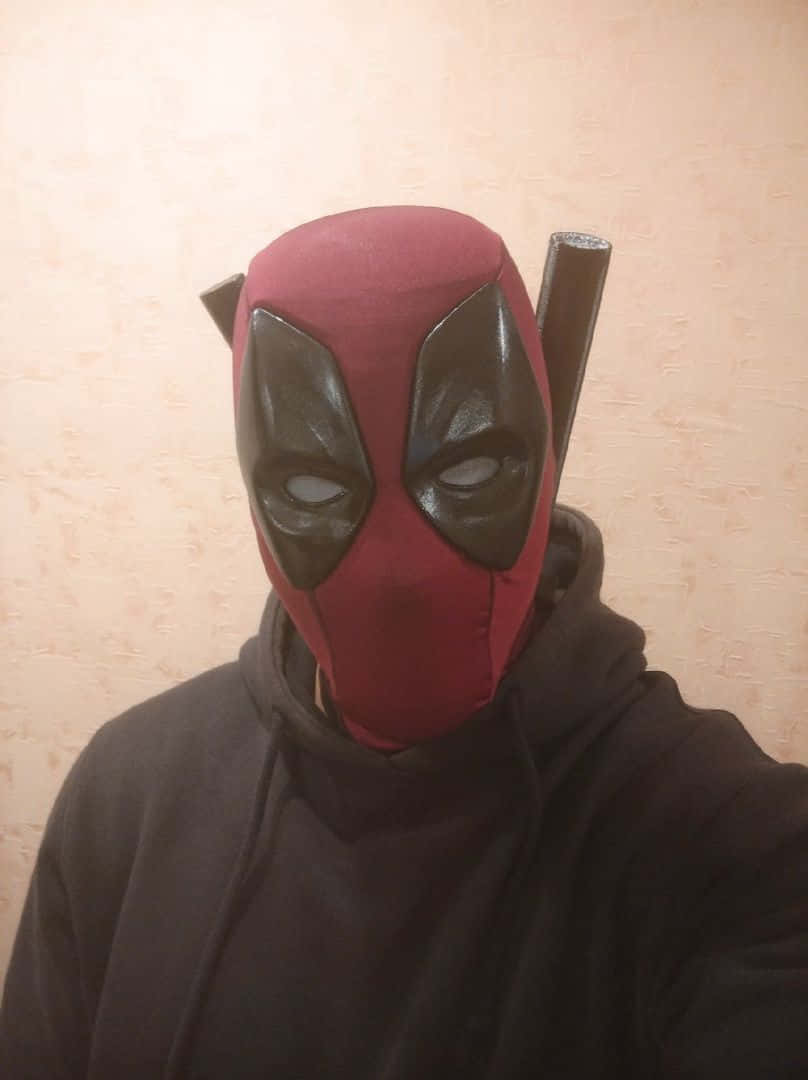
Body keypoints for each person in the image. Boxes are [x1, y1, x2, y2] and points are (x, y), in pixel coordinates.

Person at [1, 206, 806, 1079]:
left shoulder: (729, 841)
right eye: (315, 484)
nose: (398, 572)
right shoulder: (125, 803)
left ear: (543, 460)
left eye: (468, 468)